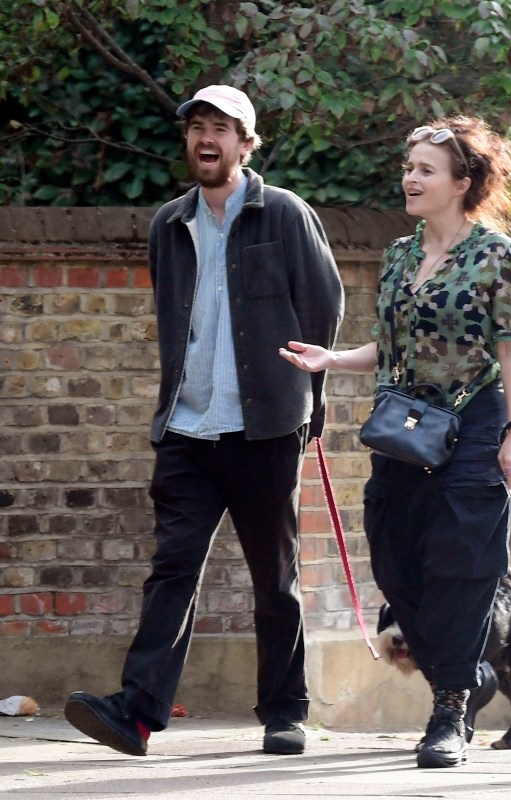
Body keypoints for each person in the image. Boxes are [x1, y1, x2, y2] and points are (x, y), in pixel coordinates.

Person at [64, 85, 344, 757]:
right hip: (187, 429)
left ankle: (285, 711)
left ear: (247, 144)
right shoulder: (169, 224)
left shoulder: (284, 215)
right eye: (196, 126)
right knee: (171, 570)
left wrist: (311, 405)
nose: (206, 137)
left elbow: (322, 309)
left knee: (274, 578)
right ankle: (135, 712)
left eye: (221, 127)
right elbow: (175, 315)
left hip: (265, 428)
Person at [280, 116, 511, 768]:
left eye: (425, 168)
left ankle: (449, 710)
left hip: (474, 422)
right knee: (395, 564)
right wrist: (331, 361)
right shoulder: (398, 255)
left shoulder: (496, 257)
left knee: (461, 567)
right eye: (408, 166)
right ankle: (462, 674)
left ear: (462, 181)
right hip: (403, 426)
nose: (410, 178)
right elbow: (391, 349)